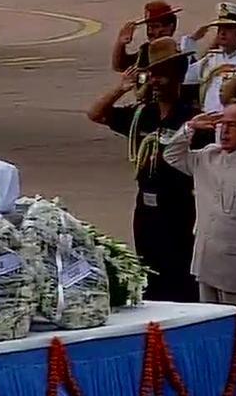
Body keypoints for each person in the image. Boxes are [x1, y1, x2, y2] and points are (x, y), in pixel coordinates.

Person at [163, 102, 236, 396]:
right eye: (221, 124)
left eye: (233, 125)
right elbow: (171, 154)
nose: (224, 131)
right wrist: (190, 127)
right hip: (206, 259)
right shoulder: (206, 158)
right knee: (210, 332)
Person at [88, 37, 199, 303]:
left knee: (180, 279)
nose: (156, 82)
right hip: (146, 211)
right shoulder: (143, 115)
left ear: (178, 76)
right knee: (150, 276)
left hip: (180, 208)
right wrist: (121, 89)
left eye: (163, 75)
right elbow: (96, 114)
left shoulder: (191, 117)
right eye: (153, 74)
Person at [182, 2, 236, 114]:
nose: (222, 33)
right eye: (220, 28)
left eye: (228, 28)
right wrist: (191, 41)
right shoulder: (210, 59)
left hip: (234, 120)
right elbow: (184, 76)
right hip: (208, 119)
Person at [111, 0, 182, 73]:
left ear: (170, 27)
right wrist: (120, 44)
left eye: (155, 26)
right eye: (149, 27)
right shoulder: (145, 51)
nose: (150, 32)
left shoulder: (181, 52)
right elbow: (120, 66)